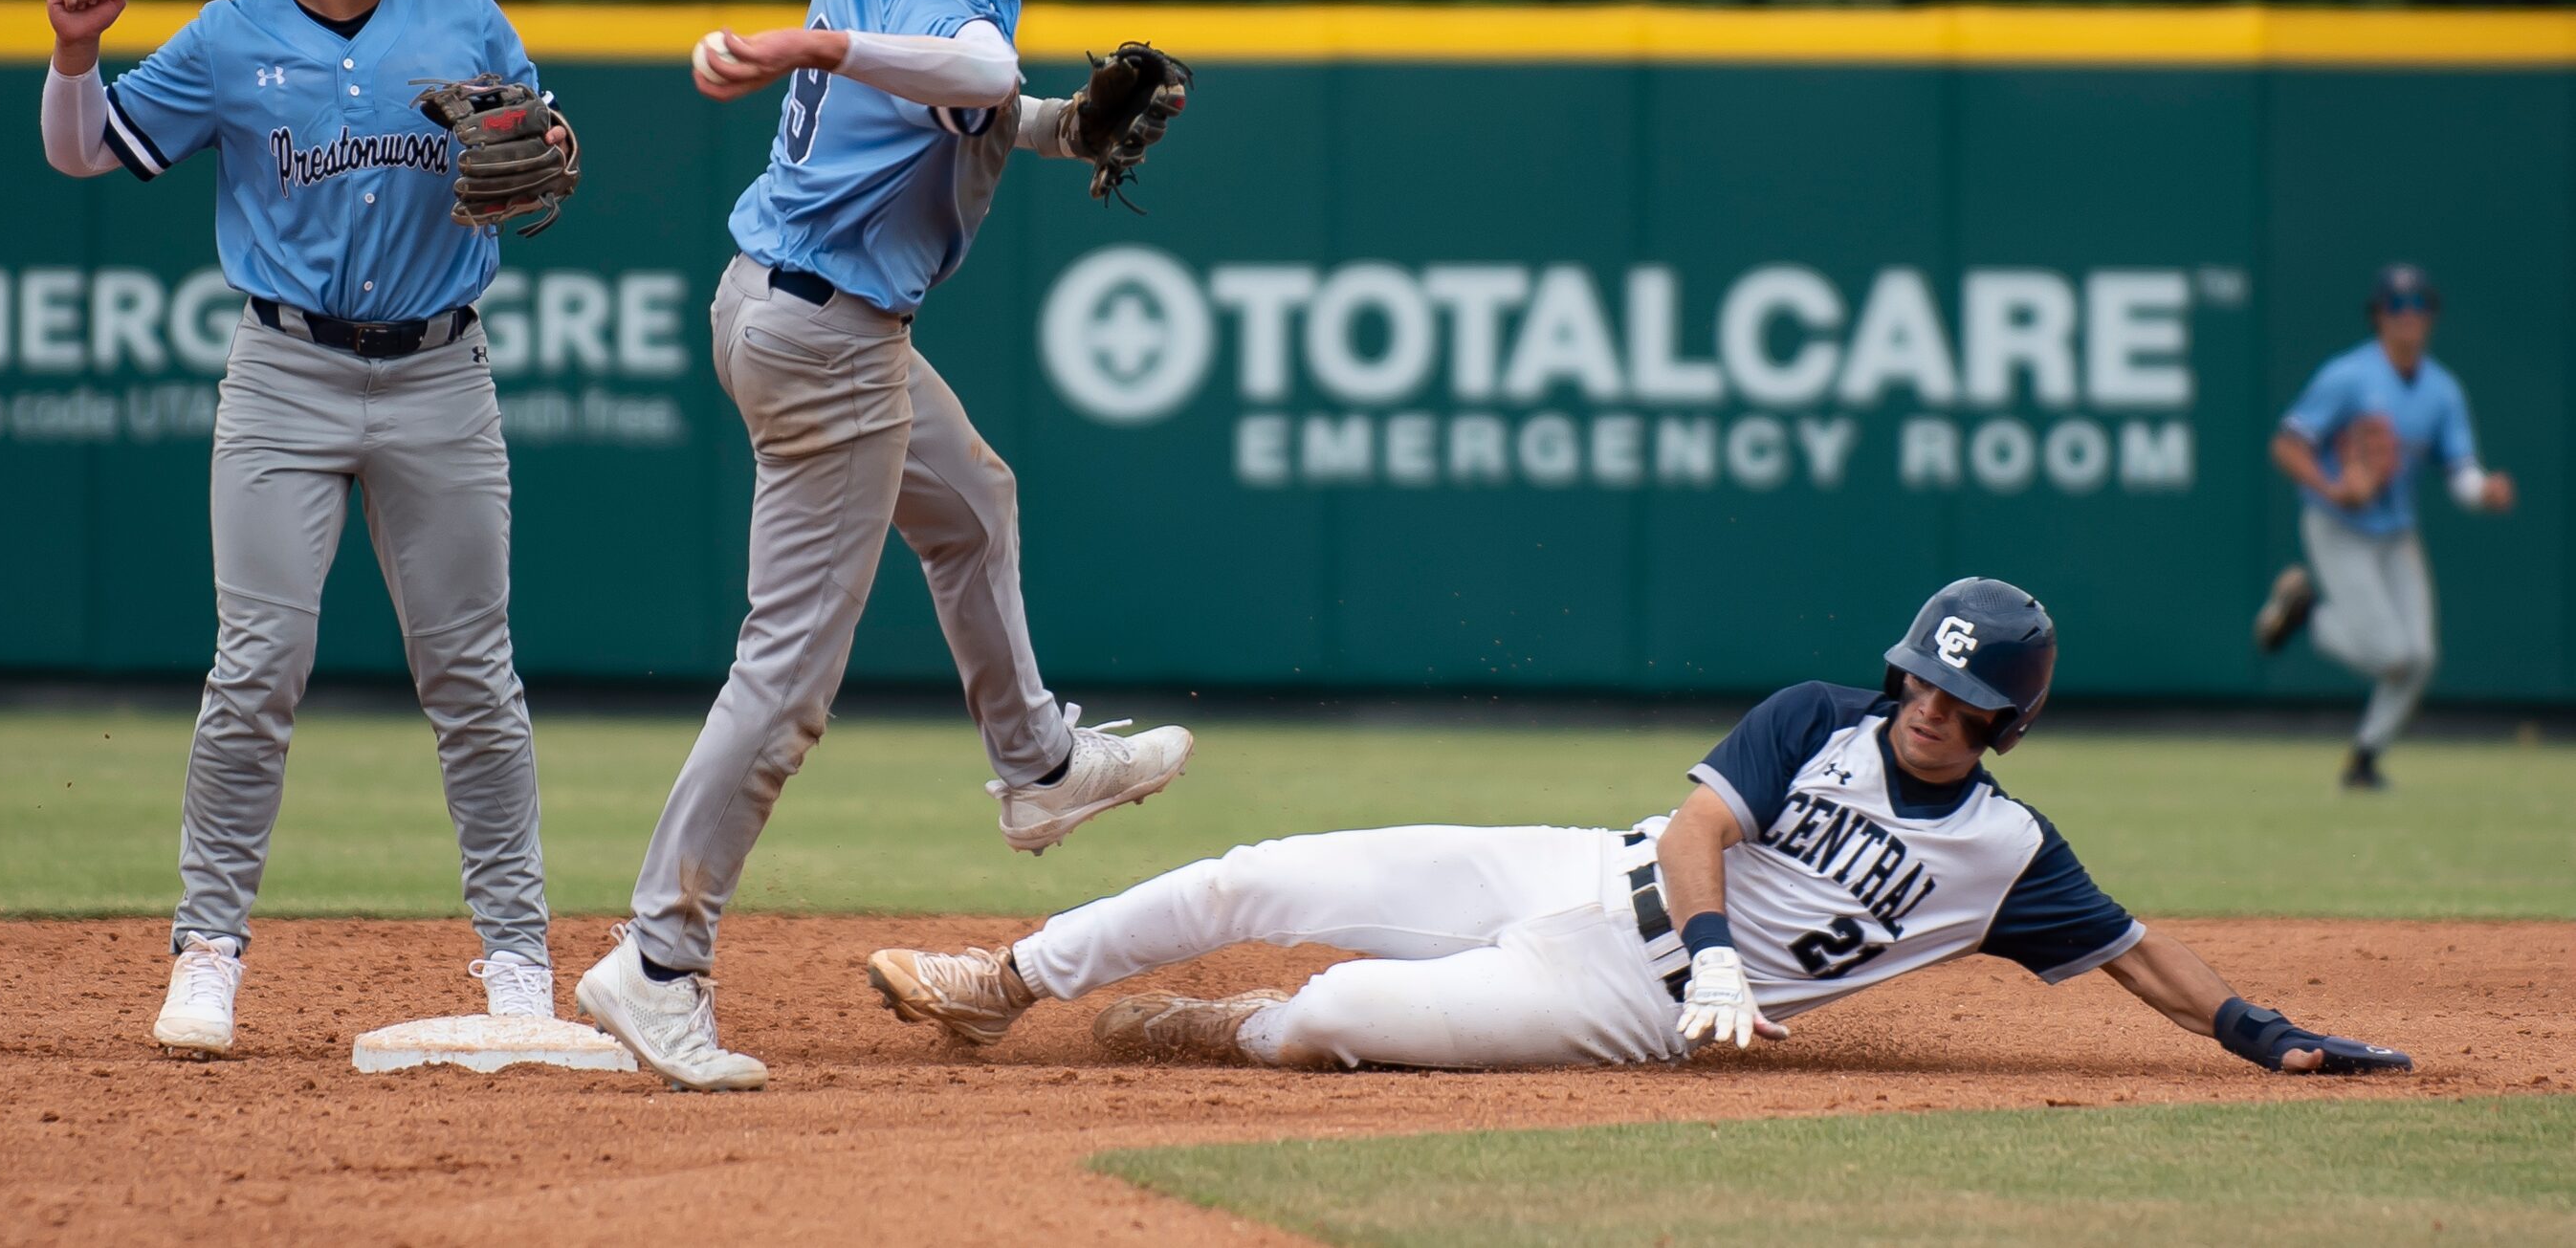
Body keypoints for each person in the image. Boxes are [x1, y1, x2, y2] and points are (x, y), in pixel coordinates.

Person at [573, 0, 1194, 1092]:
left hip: (786, 308)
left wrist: (1064, 126)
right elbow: (953, 65)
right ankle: (657, 962)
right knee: (786, 677)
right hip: (827, 341)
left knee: (975, 504)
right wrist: (813, 45)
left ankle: (1036, 763)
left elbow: (963, 90)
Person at [865, 580, 2411, 1079]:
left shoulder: (2002, 852)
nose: (1927, 712)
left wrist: (2259, 1030)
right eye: (1920, 685)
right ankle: (999, 980)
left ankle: (1226, 1024)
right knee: (1259, 867)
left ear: (2003, 723)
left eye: (1960, 704)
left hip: (1617, 1007)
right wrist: (1728, 953)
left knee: (1331, 1008)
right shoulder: (1819, 712)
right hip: (1574, 868)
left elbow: (2134, 953)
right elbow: (1689, 837)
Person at [40, 0, 570, 1055]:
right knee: (257, 666)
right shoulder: (231, 40)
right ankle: (207, 949)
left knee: (471, 677)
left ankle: (516, 956)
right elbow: (83, 153)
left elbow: (545, 143)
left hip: (441, 371)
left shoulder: (460, 6)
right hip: (285, 376)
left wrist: (546, 142)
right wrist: (73, 56)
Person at [2254, 265, 2516, 789]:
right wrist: (2330, 486)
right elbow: (2286, 442)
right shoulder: (2349, 376)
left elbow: (2460, 470)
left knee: (2419, 657)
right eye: (2397, 305)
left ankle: (2364, 758)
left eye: (2419, 305)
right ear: (2378, 315)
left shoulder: (2442, 390)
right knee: (2391, 654)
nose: (2409, 316)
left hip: (2395, 530)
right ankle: (2307, 617)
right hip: (2338, 523)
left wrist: (2483, 491)